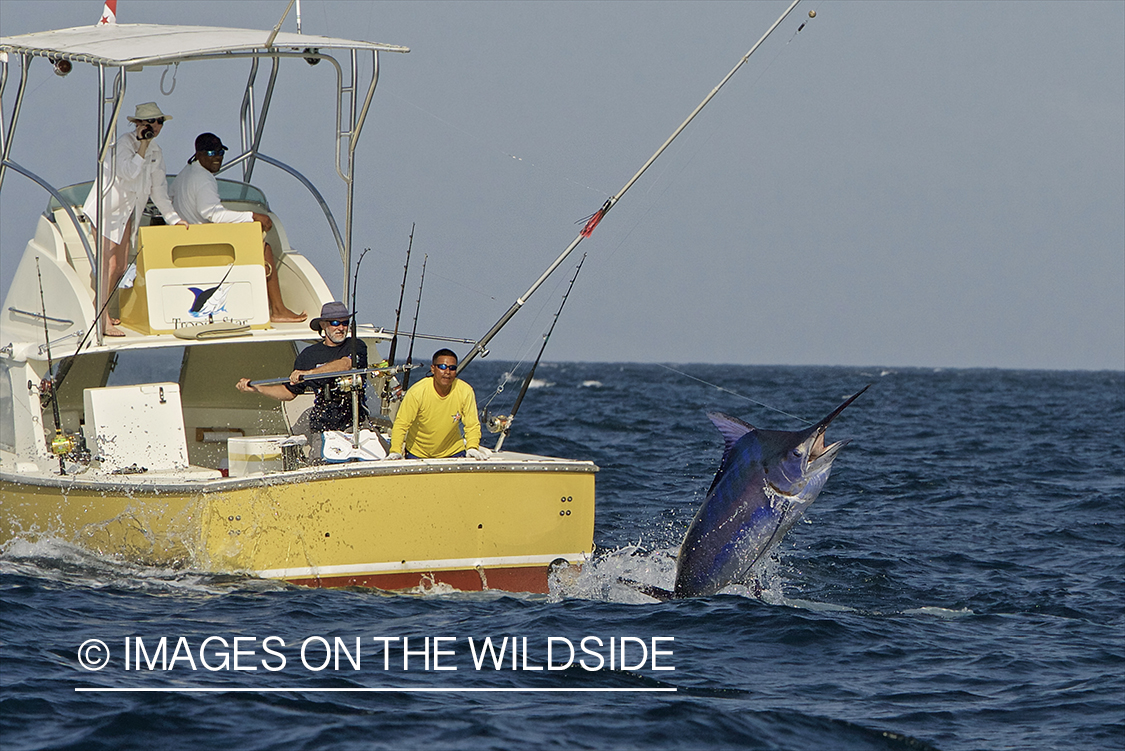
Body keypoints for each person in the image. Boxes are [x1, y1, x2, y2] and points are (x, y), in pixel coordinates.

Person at [170, 132, 306, 323]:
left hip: (188, 241)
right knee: (264, 248)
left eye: (220, 152)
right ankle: (277, 309)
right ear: (199, 154)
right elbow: (213, 214)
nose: (217, 157)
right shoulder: (204, 179)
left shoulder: (185, 173)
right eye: (210, 152)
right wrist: (253, 216)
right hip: (201, 246)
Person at [81, 102, 187, 336]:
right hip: (106, 210)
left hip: (128, 212)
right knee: (108, 265)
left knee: (119, 266)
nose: (155, 126)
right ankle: (100, 319)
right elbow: (128, 173)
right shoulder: (124, 144)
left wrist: (173, 219)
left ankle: (103, 312)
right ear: (138, 124)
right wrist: (141, 146)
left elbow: (158, 189)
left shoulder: (156, 151)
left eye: (159, 121)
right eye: (150, 122)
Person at [235, 301, 367, 439]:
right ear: (323, 325)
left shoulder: (356, 346)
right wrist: (258, 388)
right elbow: (289, 392)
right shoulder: (308, 356)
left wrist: (309, 373)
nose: (341, 328)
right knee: (319, 456)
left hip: (357, 423)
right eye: (335, 323)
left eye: (345, 323)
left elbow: (345, 365)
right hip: (323, 427)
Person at [388, 349, 487, 460]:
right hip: (418, 454)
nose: (447, 372)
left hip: (454, 452)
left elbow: (472, 425)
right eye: (443, 367)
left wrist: (472, 447)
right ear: (433, 369)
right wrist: (395, 451)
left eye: (452, 368)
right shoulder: (417, 392)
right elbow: (401, 424)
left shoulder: (465, 391)